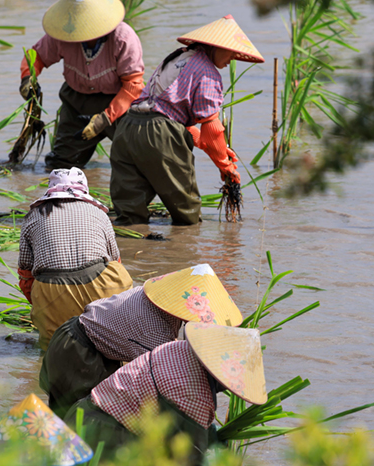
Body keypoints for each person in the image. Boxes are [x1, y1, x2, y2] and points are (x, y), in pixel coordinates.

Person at [109, 15, 265, 225]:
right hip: (159, 133)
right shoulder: (208, 72)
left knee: (129, 211)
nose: (232, 59)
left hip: (128, 126)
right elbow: (212, 129)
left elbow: (169, 114)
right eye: (231, 52)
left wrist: (212, 148)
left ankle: (131, 242)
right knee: (187, 213)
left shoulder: (178, 57)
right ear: (216, 46)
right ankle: (185, 245)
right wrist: (224, 165)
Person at [39, 264, 243, 418]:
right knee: (77, 422)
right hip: (80, 354)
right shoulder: (156, 329)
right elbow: (158, 377)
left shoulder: (156, 298)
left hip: (80, 338)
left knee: (68, 419)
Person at [63, 323, 268, 465]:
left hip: (83, 414)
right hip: (104, 439)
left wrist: (209, 437)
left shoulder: (179, 348)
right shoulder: (196, 396)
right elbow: (189, 458)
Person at [19, 0, 145, 170]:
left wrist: (105, 119)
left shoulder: (123, 38)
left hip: (119, 103)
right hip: (76, 103)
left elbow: (133, 85)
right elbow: (35, 56)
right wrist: (27, 77)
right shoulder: (64, 34)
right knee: (61, 164)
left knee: (138, 162)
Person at [17, 167, 133, 349]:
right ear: (83, 188)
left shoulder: (32, 217)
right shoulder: (98, 213)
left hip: (51, 289)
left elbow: (25, 274)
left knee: (55, 350)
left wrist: (41, 305)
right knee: (108, 345)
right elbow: (115, 259)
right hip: (100, 285)